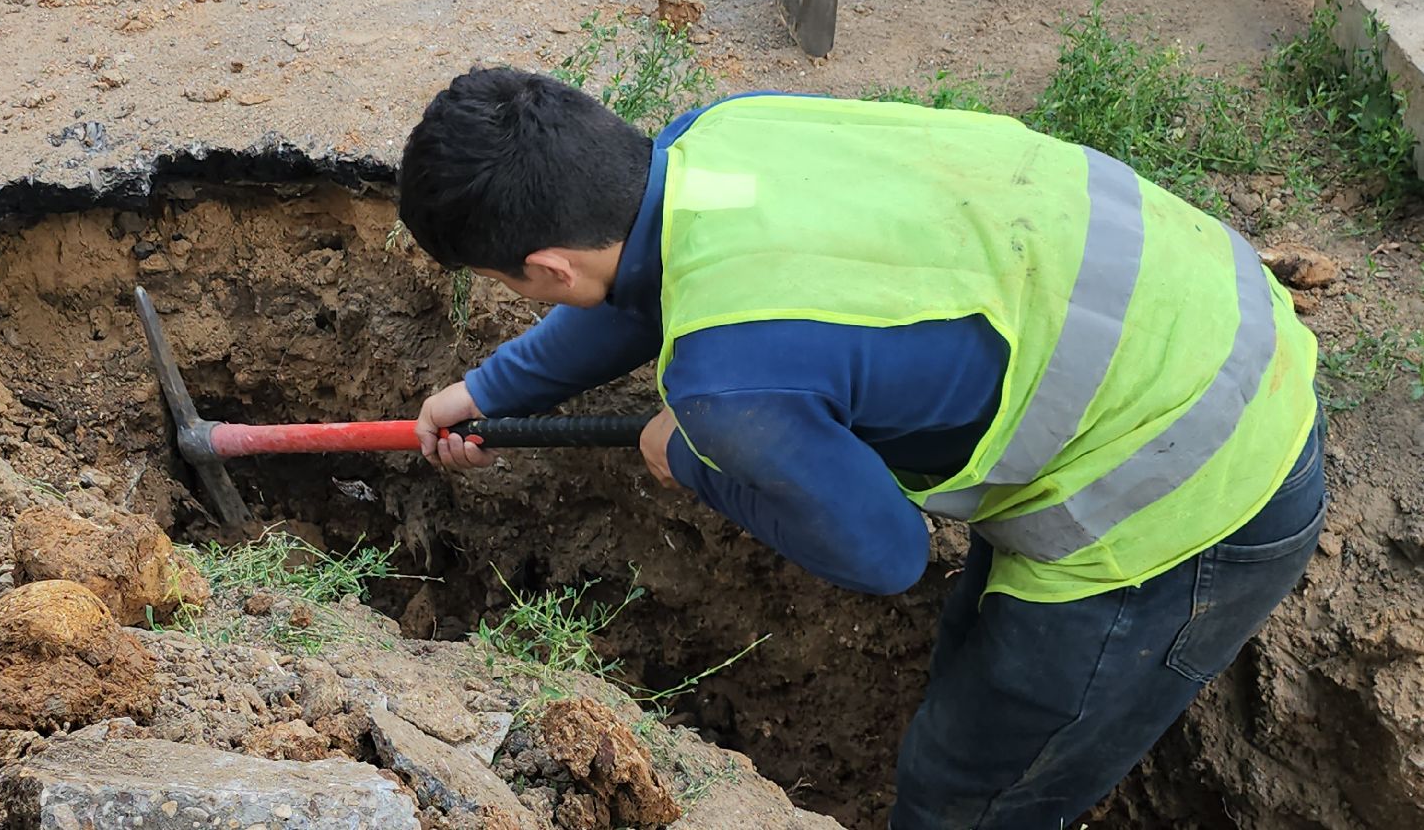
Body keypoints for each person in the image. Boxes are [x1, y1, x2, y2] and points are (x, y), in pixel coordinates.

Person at [398, 68, 1326, 829]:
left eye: (507, 282)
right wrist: (489, 391)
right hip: (1199, 313)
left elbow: (886, 554)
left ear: (547, 268)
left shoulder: (729, 388)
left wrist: (686, 457)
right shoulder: (721, 136)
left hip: (1192, 480)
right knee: (969, 670)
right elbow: (643, 288)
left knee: (964, 795)